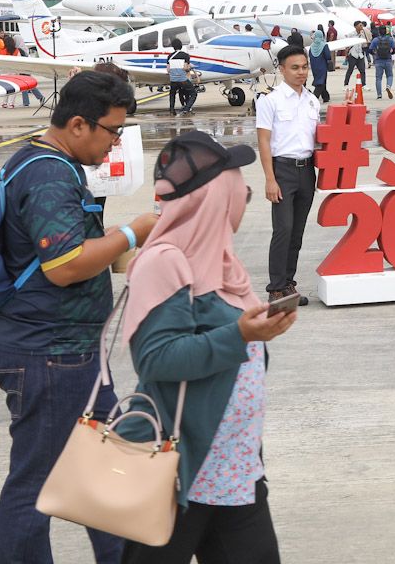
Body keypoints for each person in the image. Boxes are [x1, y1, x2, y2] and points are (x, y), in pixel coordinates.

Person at [0, 71, 156, 564]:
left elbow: (81, 254)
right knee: (37, 485)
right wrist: (133, 232)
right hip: (49, 355)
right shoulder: (48, 173)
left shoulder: (49, 165)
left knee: (108, 468)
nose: (115, 142)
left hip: (69, 354)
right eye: (112, 131)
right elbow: (64, 266)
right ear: (79, 124)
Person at [118, 132, 295, 564]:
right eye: (241, 192)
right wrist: (241, 336)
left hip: (235, 471)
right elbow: (156, 358)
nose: (243, 201)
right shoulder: (165, 261)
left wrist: (260, 331)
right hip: (177, 473)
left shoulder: (222, 261)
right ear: (216, 200)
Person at [256, 45, 319, 308]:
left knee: (297, 232)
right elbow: (264, 142)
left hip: (307, 171)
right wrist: (270, 179)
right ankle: (275, 289)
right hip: (282, 170)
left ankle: (288, 284)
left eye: (304, 67)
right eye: (295, 67)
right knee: (282, 229)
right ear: (281, 69)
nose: (301, 72)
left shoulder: (313, 100)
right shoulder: (269, 101)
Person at [167, 37, 195, 116]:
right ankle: (187, 108)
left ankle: (172, 110)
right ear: (181, 46)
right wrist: (189, 68)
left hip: (173, 80)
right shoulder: (186, 56)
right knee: (193, 93)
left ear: (173, 46)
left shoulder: (169, 56)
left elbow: (168, 70)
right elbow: (186, 68)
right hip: (182, 79)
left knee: (172, 94)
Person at [369, 26, 395, 100]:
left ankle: (379, 95)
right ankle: (388, 86)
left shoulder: (375, 40)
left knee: (378, 78)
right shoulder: (390, 39)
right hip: (388, 60)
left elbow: (370, 50)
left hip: (378, 61)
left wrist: (375, 53)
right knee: (390, 75)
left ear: (379, 32)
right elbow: (394, 50)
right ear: (386, 31)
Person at [308, 29, 334, 103]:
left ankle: (326, 97)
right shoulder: (324, 45)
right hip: (322, 66)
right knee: (321, 82)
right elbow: (328, 56)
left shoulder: (312, 46)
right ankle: (314, 97)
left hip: (314, 66)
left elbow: (310, 55)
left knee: (320, 80)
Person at [343, 21, 368, 90]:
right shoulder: (351, 34)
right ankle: (346, 84)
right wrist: (346, 54)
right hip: (352, 54)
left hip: (360, 54)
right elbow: (346, 44)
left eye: (362, 26)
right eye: (360, 25)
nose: (361, 27)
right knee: (350, 70)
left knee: (362, 70)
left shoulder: (362, 34)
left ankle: (364, 84)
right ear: (356, 26)